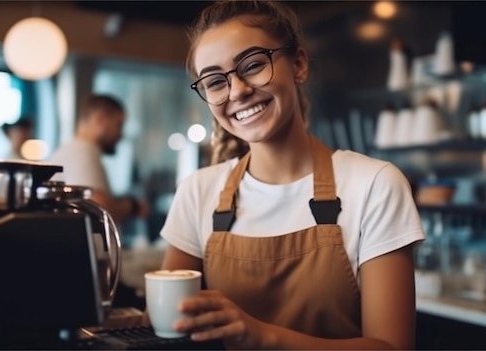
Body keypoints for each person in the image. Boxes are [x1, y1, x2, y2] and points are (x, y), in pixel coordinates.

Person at [158, 1, 426, 349]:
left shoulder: (375, 185)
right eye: (214, 81)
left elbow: (392, 347)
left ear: (298, 64)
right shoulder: (197, 192)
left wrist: (261, 336)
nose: (237, 90)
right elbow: (171, 322)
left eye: (252, 65)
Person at [48, 94, 149, 225]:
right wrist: (132, 207)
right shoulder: (82, 152)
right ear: (99, 119)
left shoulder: (74, 150)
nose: (121, 135)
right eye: (119, 125)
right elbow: (100, 210)